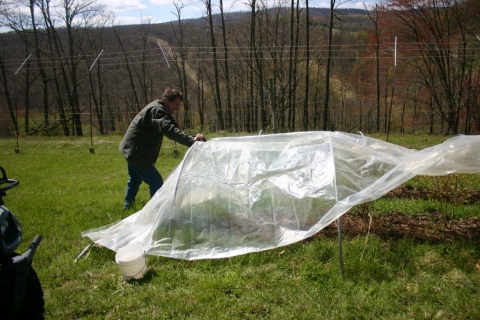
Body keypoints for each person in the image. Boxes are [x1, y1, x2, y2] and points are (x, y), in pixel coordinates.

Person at [119, 87, 205, 209]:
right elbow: (169, 130)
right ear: (166, 100)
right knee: (156, 181)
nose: (177, 108)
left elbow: (175, 129)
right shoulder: (157, 111)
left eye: (179, 105)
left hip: (131, 149)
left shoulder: (163, 111)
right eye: (175, 104)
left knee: (135, 178)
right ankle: (158, 213)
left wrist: (193, 139)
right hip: (135, 151)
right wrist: (191, 141)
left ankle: (127, 207)